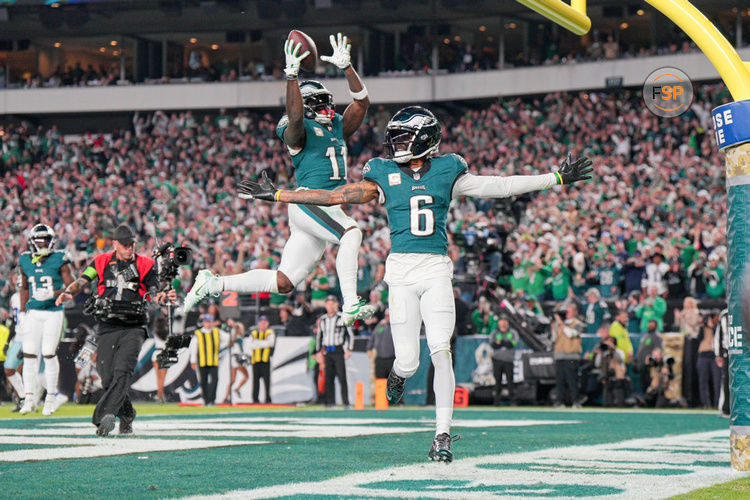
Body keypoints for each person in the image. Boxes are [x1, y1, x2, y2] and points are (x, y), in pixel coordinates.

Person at [239, 105, 592, 462]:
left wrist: (555, 178)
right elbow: (336, 196)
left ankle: (442, 435)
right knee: (407, 361)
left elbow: (498, 186)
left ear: (424, 138)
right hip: (401, 273)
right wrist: (282, 195)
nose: (397, 144)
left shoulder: (448, 169)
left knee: (441, 351)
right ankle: (399, 375)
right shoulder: (382, 170)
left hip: (436, 268)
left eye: (404, 137)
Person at [184, 33, 375, 327]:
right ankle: (350, 302)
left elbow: (361, 104)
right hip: (309, 201)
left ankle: (211, 283)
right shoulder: (298, 130)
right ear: (307, 106)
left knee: (284, 282)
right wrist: (291, 77)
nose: (328, 109)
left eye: (328, 103)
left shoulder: (336, 125)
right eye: (320, 104)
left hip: (323, 208)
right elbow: (296, 119)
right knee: (351, 232)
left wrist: (348, 68)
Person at [56, 224, 176, 437]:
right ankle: (128, 414)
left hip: (134, 326)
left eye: (132, 244)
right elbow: (83, 280)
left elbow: (154, 291)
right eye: (125, 245)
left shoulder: (145, 264)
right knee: (107, 377)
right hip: (107, 325)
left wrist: (164, 297)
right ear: (115, 244)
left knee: (123, 371)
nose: (130, 248)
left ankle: (103, 417)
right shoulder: (101, 261)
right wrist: (68, 292)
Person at [18, 224, 75, 415]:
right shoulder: (25, 260)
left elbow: (73, 285)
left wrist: (53, 293)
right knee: (29, 354)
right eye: (39, 239)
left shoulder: (60, 258)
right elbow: (24, 287)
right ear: (32, 242)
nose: (43, 243)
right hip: (33, 313)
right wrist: (21, 312)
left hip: (53, 311)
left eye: (46, 239)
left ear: (52, 241)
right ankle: (29, 398)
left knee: (49, 353)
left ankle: (50, 398)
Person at [314, 295, 353, 407]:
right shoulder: (323, 320)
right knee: (328, 378)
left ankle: (346, 402)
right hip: (328, 351)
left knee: (342, 377)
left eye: (332, 303)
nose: (330, 306)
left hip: (338, 350)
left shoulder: (343, 317)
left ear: (337, 305)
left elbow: (350, 335)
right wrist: (318, 353)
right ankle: (330, 402)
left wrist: (349, 349)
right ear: (325, 305)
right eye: (328, 303)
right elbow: (319, 338)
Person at [190, 313, 226, 406]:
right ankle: (206, 400)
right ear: (203, 323)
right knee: (203, 381)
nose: (208, 324)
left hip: (214, 361)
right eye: (206, 322)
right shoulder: (198, 333)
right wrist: (193, 361)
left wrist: (220, 348)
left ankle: (212, 400)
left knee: (215, 380)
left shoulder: (217, 331)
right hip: (202, 361)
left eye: (210, 322)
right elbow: (193, 348)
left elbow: (228, 339)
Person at [552, 303, 584, 408]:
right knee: (560, 381)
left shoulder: (578, 323)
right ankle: (559, 401)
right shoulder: (560, 324)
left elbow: (571, 334)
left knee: (572, 381)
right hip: (560, 355)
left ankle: (575, 401)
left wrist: (560, 323)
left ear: (575, 312)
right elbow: (553, 338)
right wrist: (555, 323)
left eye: (569, 311)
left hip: (571, 356)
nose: (566, 313)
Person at [490, 316, 518, 405]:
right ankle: (497, 401)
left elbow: (512, 344)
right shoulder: (495, 333)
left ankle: (512, 401)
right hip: (497, 360)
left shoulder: (512, 332)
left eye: (505, 320)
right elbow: (493, 344)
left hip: (508, 360)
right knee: (497, 381)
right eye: (501, 321)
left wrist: (501, 342)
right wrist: (505, 343)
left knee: (510, 381)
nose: (503, 323)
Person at [248, 315, 276, 404]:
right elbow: (250, 345)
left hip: (265, 360)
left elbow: (271, 343)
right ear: (258, 324)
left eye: (265, 323)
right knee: (255, 381)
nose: (263, 325)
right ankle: (255, 399)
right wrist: (264, 343)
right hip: (255, 360)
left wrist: (257, 343)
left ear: (267, 324)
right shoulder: (254, 333)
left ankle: (268, 399)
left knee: (267, 381)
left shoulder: (270, 333)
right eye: (261, 323)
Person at [366, 309, 395, 380]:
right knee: (380, 381)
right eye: (386, 315)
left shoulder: (395, 327)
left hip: (391, 359)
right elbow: (373, 336)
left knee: (391, 382)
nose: (387, 317)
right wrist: (369, 348)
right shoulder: (380, 326)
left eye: (389, 315)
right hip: (380, 358)